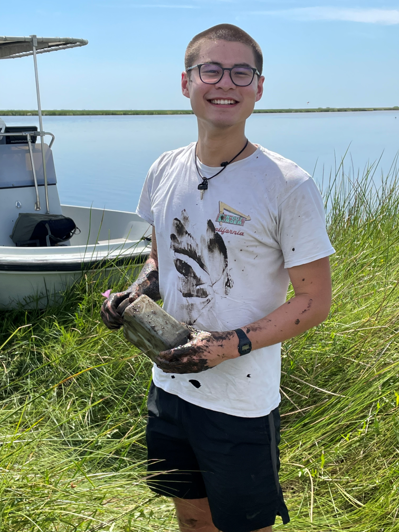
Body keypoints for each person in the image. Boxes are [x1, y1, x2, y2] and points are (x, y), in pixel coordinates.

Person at [101, 23, 335, 532]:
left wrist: (226, 346)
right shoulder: (164, 168)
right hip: (169, 387)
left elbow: (314, 301)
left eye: (240, 71)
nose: (225, 82)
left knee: (245, 526)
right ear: (186, 83)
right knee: (189, 516)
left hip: (240, 400)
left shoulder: (288, 184)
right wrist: (136, 293)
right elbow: (161, 259)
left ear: (258, 87)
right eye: (211, 69)